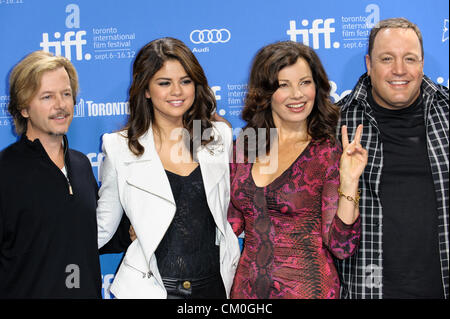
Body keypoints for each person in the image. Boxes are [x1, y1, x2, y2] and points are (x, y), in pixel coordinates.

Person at [96, 37, 241, 299]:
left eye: (185, 81)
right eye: (164, 83)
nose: (177, 91)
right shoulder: (119, 147)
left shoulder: (219, 136)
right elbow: (103, 227)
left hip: (216, 286)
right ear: (146, 90)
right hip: (149, 290)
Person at [227, 41, 368, 299]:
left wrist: (349, 182)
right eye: (284, 85)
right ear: (266, 92)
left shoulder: (325, 152)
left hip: (308, 290)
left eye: (305, 82)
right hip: (246, 293)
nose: (298, 94)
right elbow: (229, 225)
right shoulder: (245, 146)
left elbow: (341, 246)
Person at [336, 17, 449, 299]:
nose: (399, 70)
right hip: (367, 291)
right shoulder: (335, 123)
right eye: (387, 58)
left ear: (422, 63)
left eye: (409, 58)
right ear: (369, 64)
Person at [0, 51, 101, 298]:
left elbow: (93, 233)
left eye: (66, 94)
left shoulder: (81, 165)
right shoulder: (5, 171)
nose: (61, 105)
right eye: (47, 97)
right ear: (23, 108)